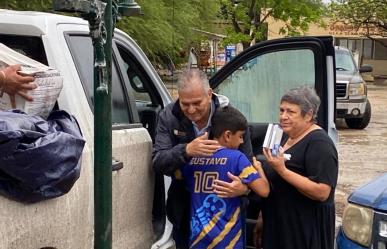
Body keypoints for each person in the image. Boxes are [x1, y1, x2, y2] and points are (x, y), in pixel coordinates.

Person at [152, 69, 253, 249]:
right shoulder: (169, 116)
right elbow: (158, 162)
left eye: (197, 103)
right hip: (185, 211)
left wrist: (244, 188)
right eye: (185, 104)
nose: (191, 110)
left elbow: (248, 163)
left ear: (209, 94)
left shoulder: (231, 118)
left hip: (228, 215)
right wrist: (186, 150)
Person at [260, 86, 338, 249]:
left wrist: (283, 171)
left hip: (303, 231)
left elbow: (322, 192)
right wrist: (262, 218)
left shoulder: (319, 143)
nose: (283, 116)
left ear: (308, 115)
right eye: (281, 110)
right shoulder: (286, 137)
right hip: (280, 227)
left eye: (290, 112)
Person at [181, 106, 269, 249]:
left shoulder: (193, 158)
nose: (242, 142)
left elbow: (181, 178)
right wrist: (259, 168)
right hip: (228, 241)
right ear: (227, 135)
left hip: (198, 239)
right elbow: (264, 190)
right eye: (240, 136)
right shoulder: (237, 158)